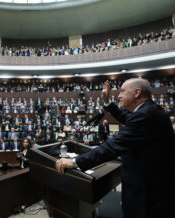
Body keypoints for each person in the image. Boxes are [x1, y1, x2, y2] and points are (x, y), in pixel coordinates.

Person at [55, 79, 175, 218]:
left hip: (147, 195)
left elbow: (112, 147)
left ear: (137, 92)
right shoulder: (148, 110)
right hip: (153, 187)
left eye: (123, 91)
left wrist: (75, 162)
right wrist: (107, 102)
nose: (118, 95)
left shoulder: (144, 115)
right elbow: (126, 117)